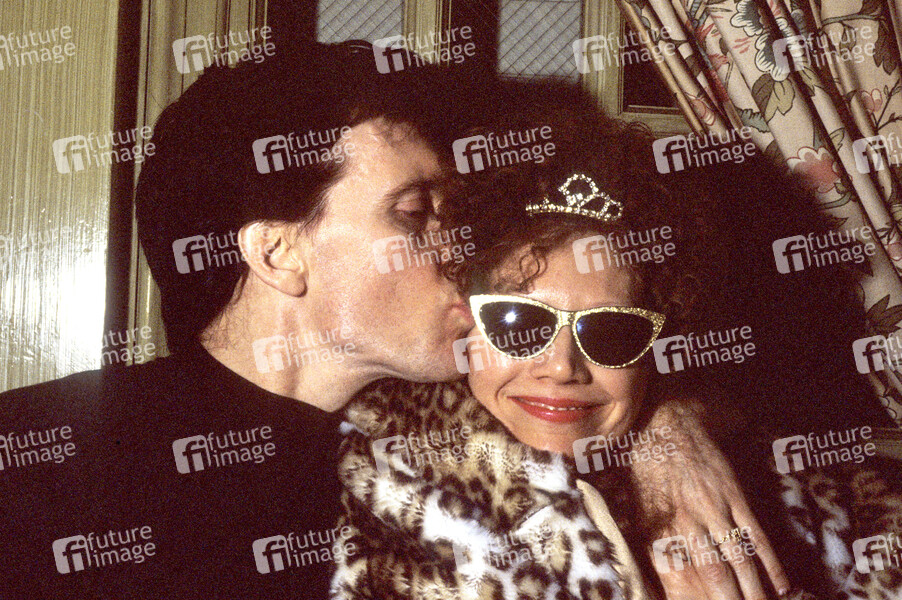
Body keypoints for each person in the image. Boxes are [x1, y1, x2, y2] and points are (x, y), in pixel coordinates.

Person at [1, 43, 783, 599]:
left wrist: (666, 426)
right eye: (414, 213)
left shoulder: (469, 429)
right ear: (278, 253)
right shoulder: (43, 463)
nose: (462, 244)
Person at [332, 100, 902, 600]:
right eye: (517, 321)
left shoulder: (804, 496)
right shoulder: (395, 484)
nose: (562, 366)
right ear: (465, 322)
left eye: (610, 333)